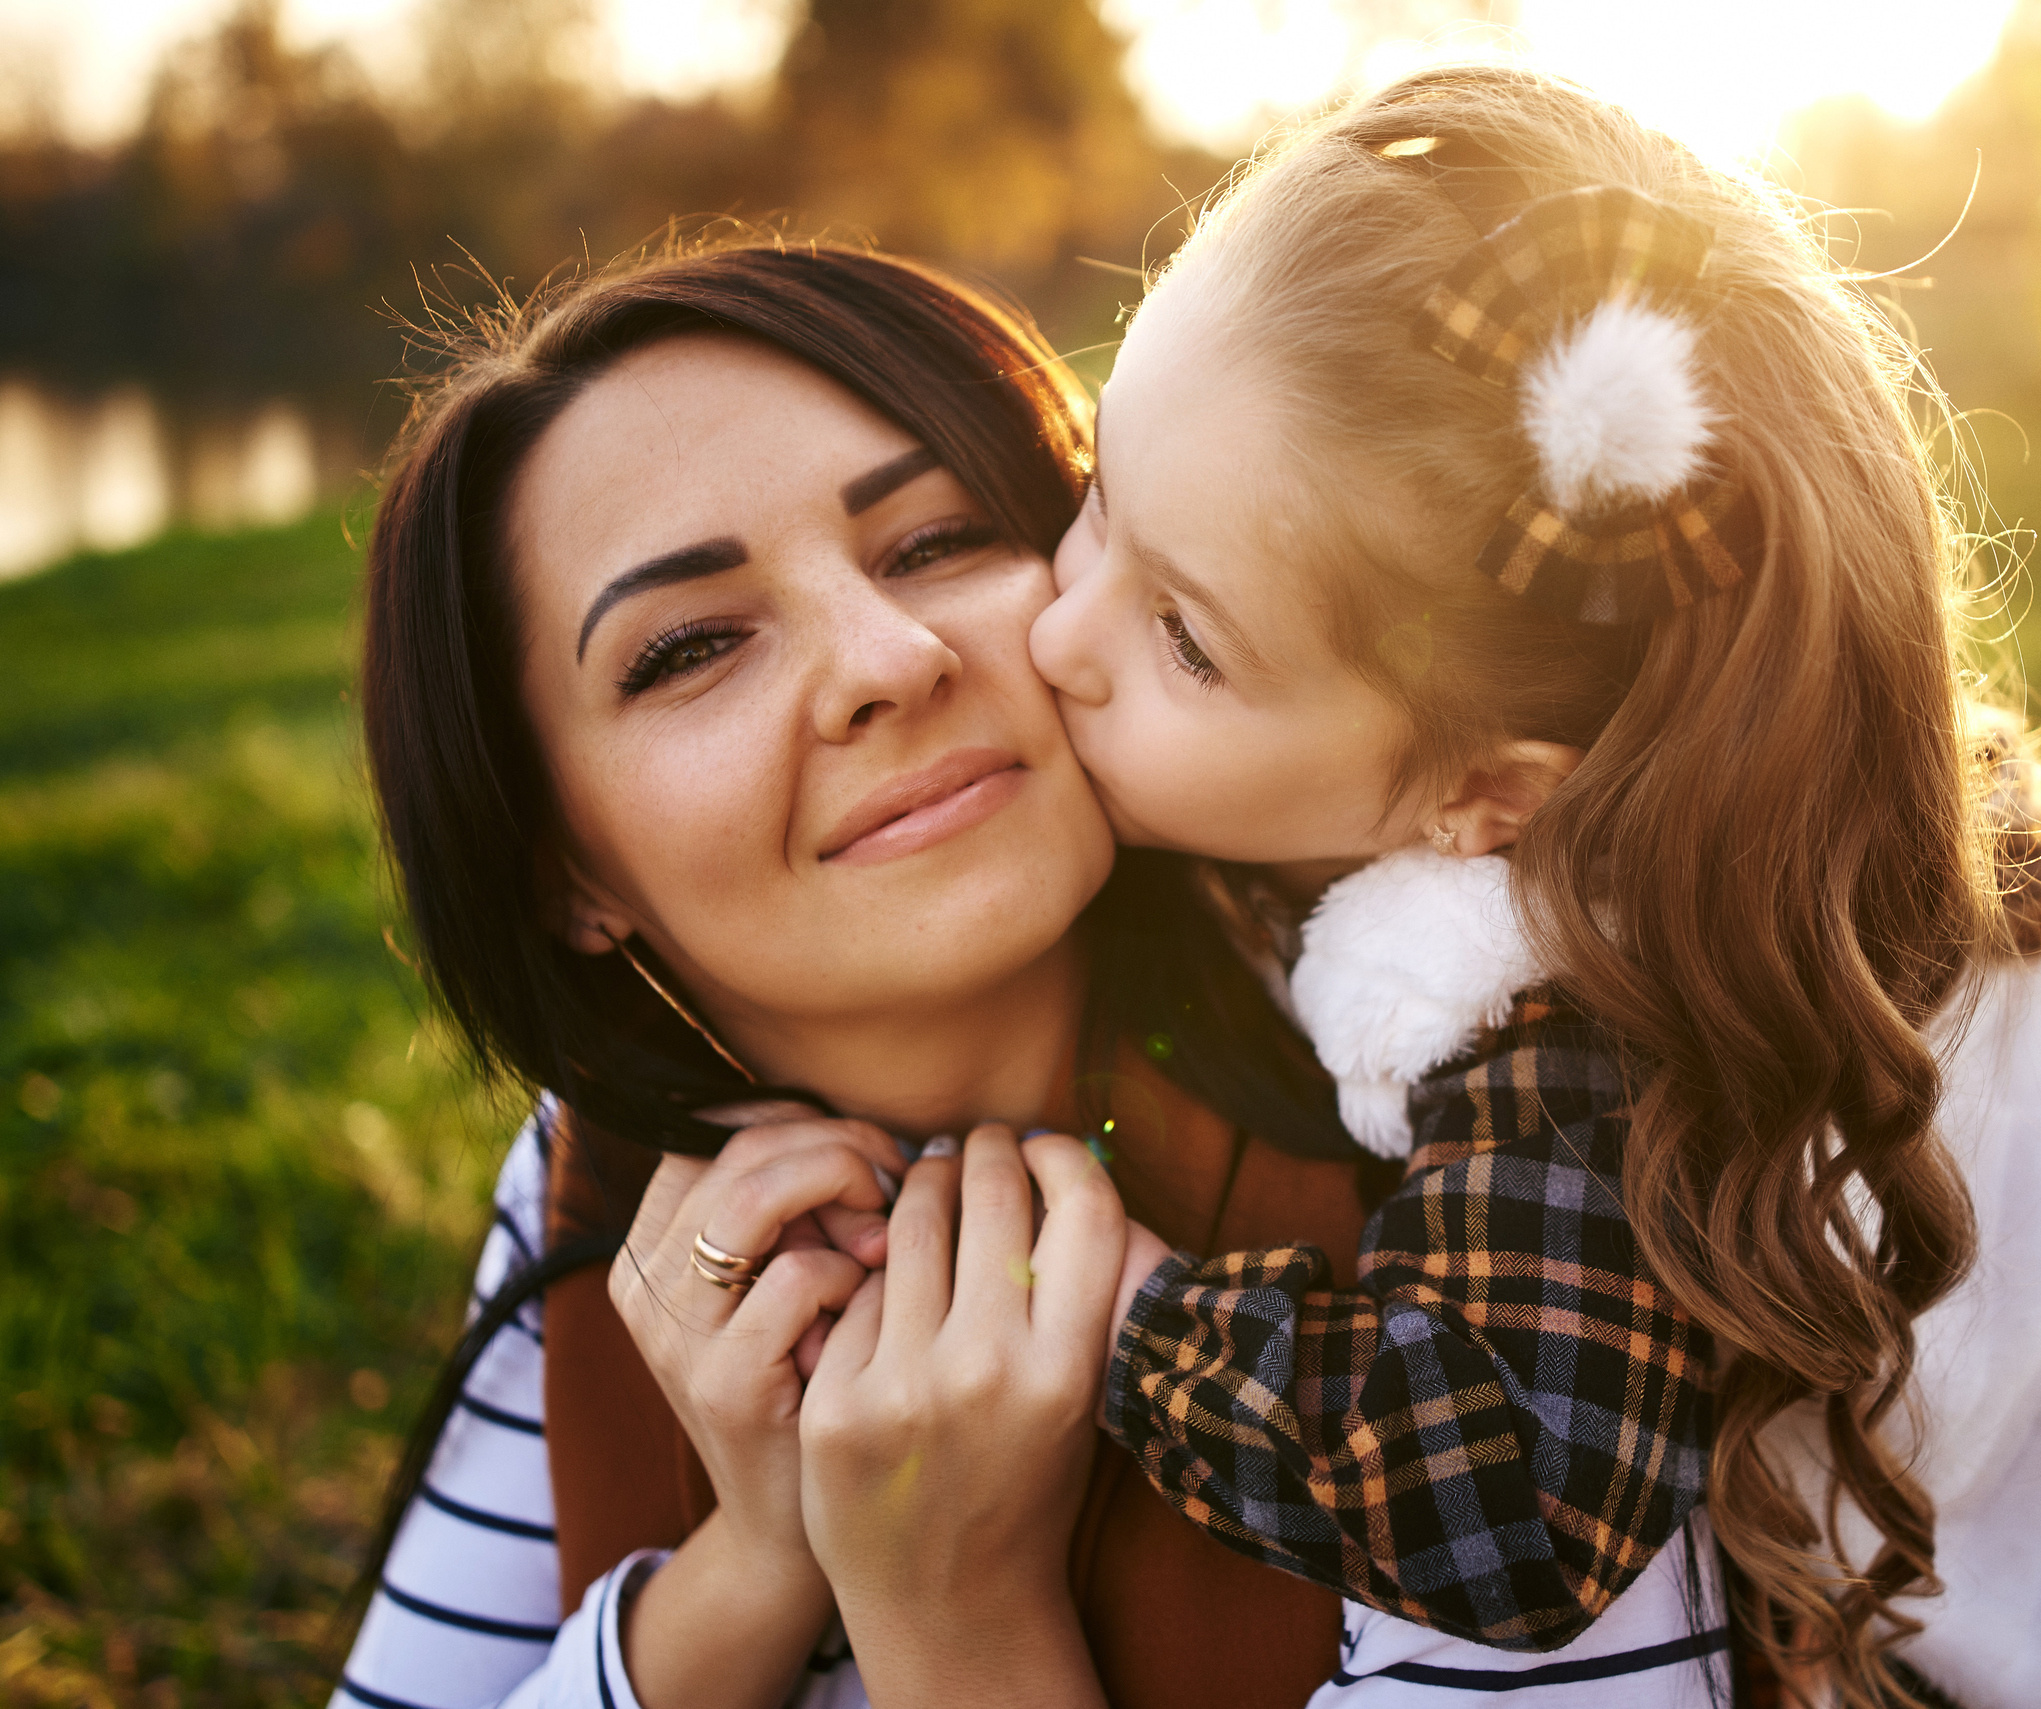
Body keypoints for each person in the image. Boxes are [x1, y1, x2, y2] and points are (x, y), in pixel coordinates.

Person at [1024, 63, 2041, 1708]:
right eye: (1102, 495)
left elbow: (1518, 1501)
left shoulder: (1576, 1005)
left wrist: (1134, 1318)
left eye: (1184, 637)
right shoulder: (1776, 786)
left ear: (1489, 800)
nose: (1057, 632)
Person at [330, 239, 1394, 1709]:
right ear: (561, 873)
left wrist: (950, 1609)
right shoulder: (611, 1186)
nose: (885, 657)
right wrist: (752, 1570)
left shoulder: (1451, 1104)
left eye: (936, 541)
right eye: (692, 645)